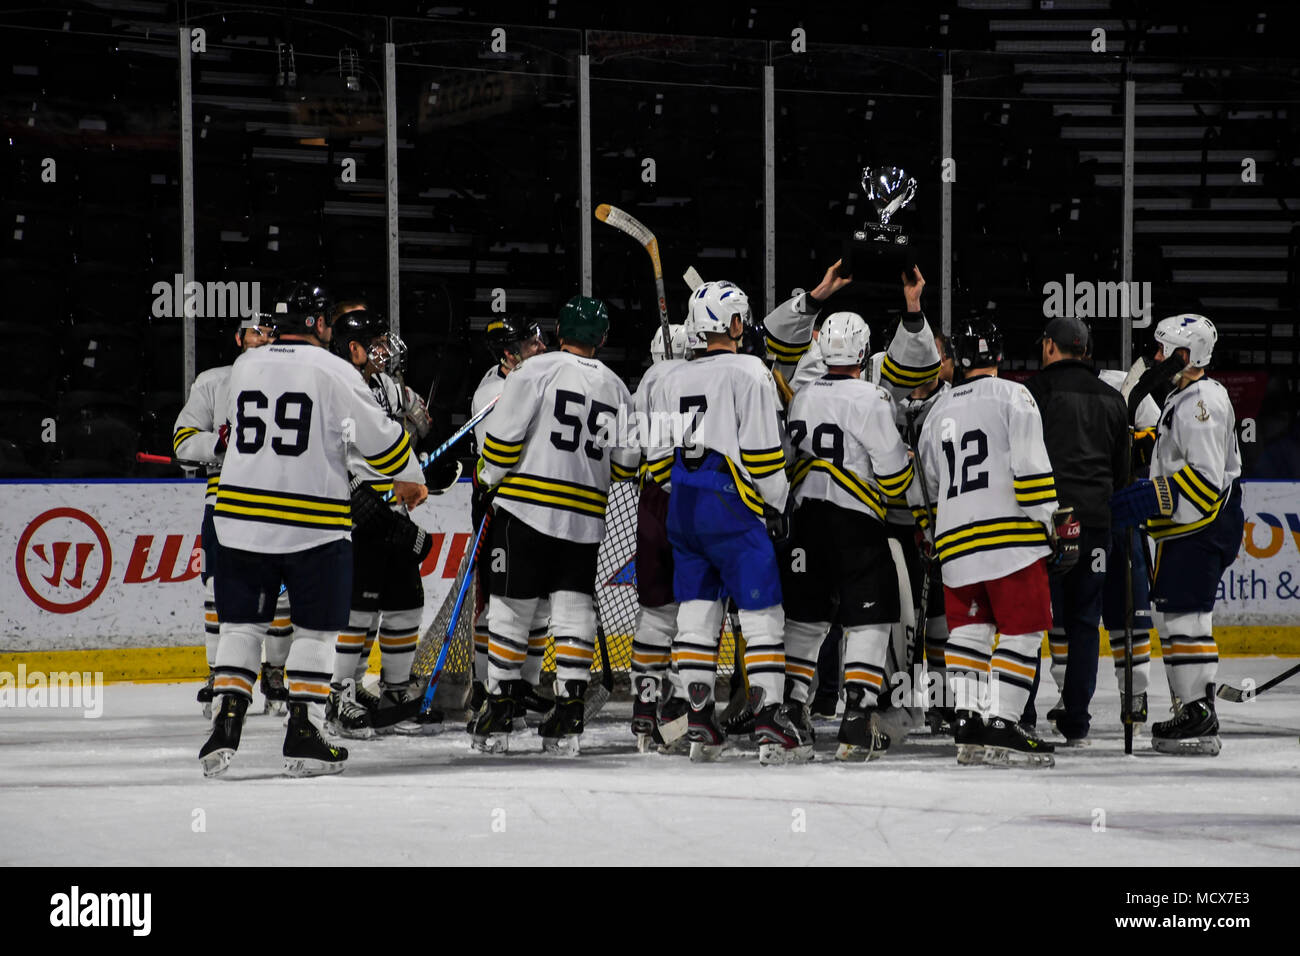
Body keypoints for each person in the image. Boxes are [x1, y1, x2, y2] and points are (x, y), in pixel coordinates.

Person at [198, 281, 427, 777]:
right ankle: (304, 732)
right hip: (311, 524)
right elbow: (381, 444)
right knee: (317, 631)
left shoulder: (244, 366)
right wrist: (411, 479)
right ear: (320, 324)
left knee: (242, 625)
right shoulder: (332, 369)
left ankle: (227, 720)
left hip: (238, 517)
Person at [468, 296, 639, 755]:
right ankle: (570, 710)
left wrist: (488, 478)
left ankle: (501, 704)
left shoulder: (533, 371)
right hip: (585, 516)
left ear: (559, 331)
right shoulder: (618, 388)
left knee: (511, 606)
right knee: (572, 608)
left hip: (525, 509)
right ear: (602, 338)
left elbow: (502, 445)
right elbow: (626, 464)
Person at [662, 280, 808, 765]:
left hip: (682, 503)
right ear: (734, 323)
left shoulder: (671, 376)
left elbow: (660, 457)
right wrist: (780, 502)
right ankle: (768, 721)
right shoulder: (750, 370)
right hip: (732, 505)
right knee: (762, 613)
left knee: (697, 611)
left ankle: (699, 719)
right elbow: (765, 457)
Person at [915, 315, 1071, 768]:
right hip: (1011, 538)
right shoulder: (1015, 395)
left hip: (956, 542)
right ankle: (1003, 721)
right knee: (1023, 632)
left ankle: (968, 723)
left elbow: (925, 483)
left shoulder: (936, 413)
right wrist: (1049, 525)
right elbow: (1031, 467)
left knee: (967, 634)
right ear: (999, 355)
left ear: (958, 360)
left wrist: (932, 534)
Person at [782, 311, 915, 760]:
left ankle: (792, 709)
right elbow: (894, 476)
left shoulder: (800, 396)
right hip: (854, 520)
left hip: (804, 519)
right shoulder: (872, 398)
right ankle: (857, 716)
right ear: (861, 350)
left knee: (806, 615)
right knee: (871, 614)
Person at [1110, 314, 1243, 756]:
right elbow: (1176, 456)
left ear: (1186, 356)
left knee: (1186, 616)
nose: (1156, 357)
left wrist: (1152, 496)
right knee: (1174, 615)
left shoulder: (1201, 403)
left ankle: (1198, 714)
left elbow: (1204, 481)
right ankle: (1191, 707)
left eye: (1164, 350)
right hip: (1187, 528)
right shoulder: (1184, 395)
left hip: (1200, 527)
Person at [325, 301, 454, 739]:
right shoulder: (329, 386)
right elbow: (322, 453)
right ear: (355, 349)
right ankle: (338, 696)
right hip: (352, 516)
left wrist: (431, 463)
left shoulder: (387, 387)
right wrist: (352, 495)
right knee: (357, 610)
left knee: (405, 601)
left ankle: (395, 691)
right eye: (377, 343)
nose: (386, 350)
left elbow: (421, 424)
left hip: (391, 512)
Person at [173, 316, 290, 717]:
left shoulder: (296, 380)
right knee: (218, 589)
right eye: (256, 331)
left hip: (279, 496)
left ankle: (274, 672)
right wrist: (219, 442)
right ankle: (217, 673)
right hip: (225, 497)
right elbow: (184, 441)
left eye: (271, 332)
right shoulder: (213, 381)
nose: (264, 339)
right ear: (240, 337)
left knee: (281, 591)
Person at [1022, 316, 1130, 745]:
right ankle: (1077, 721)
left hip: (1047, 524)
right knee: (1086, 622)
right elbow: (1121, 474)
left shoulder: (1033, 394)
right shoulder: (1112, 399)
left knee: (1030, 620)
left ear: (1050, 346)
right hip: (1096, 525)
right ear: (1084, 350)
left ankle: (1021, 713)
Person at [466, 316, 549, 719]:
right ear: (508, 354)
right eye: (531, 344)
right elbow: (500, 462)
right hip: (498, 508)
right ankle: (487, 688)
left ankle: (525, 688)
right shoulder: (491, 394)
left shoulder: (533, 382)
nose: (540, 348)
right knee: (497, 606)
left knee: (541, 607)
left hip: (536, 509)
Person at [628, 322, 694, 750]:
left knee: (655, 611)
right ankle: (683, 708)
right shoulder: (707, 375)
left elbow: (629, 453)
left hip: (653, 500)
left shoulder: (648, 381)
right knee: (697, 610)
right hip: (697, 497)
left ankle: (644, 710)